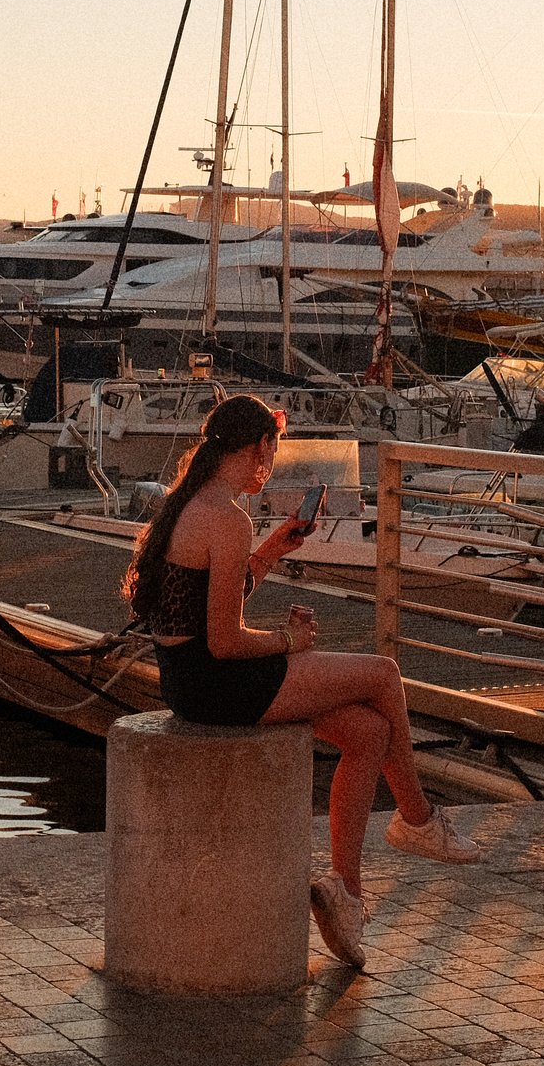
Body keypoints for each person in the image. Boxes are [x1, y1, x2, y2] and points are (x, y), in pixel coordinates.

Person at [120, 394, 480, 971]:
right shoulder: (227, 518)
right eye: (274, 449)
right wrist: (290, 642)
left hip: (190, 682)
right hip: (219, 683)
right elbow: (224, 640)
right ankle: (418, 821)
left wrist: (268, 553)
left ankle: (347, 896)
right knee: (383, 674)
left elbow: (205, 610)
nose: (272, 460)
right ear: (260, 446)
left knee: (367, 733)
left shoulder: (195, 506)